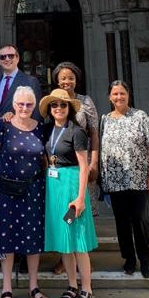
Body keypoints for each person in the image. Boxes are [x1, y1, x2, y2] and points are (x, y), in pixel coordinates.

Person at [0, 86, 49, 298]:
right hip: (7, 191)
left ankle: (33, 286)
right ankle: (7, 288)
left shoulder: (40, 127)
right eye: (20, 104)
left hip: (34, 191)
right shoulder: (3, 124)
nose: (24, 108)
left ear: (34, 106)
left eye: (29, 104)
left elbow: (45, 159)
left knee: (33, 239)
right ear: (13, 105)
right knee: (8, 238)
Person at [41, 88, 98, 298]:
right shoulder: (47, 130)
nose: (58, 108)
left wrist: (81, 198)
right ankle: (72, 285)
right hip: (54, 187)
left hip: (72, 187)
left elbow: (84, 167)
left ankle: (87, 290)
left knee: (78, 241)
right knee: (64, 242)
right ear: (49, 109)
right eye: (54, 105)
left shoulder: (77, 132)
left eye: (63, 104)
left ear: (69, 108)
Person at [99, 80, 149, 278]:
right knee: (122, 222)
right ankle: (129, 258)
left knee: (140, 220)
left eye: (122, 93)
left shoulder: (140, 116)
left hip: (138, 178)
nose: (119, 97)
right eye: (115, 94)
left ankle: (144, 257)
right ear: (110, 97)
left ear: (128, 95)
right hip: (114, 181)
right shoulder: (105, 120)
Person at [51, 61, 100, 274]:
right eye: (63, 78)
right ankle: (67, 256)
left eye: (70, 77)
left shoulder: (85, 101)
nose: (67, 81)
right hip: (62, 168)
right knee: (65, 213)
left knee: (81, 210)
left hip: (81, 163)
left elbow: (94, 133)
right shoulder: (55, 102)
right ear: (56, 80)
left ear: (76, 80)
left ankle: (83, 254)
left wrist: (94, 162)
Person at [0, 44, 41, 140]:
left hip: (20, 139)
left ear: (17, 58)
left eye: (11, 56)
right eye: (3, 57)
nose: (7, 59)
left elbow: (36, 114)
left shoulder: (30, 82)